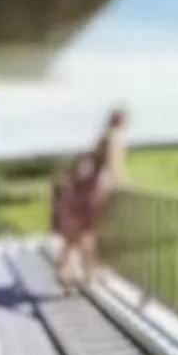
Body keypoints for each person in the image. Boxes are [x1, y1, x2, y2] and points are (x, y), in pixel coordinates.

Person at [51, 107, 127, 292]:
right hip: (92, 190)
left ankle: (69, 272)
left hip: (81, 190)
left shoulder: (103, 136)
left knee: (76, 234)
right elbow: (113, 164)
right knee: (86, 233)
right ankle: (89, 272)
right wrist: (124, 184)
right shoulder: (114, 137)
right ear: (122, 121)